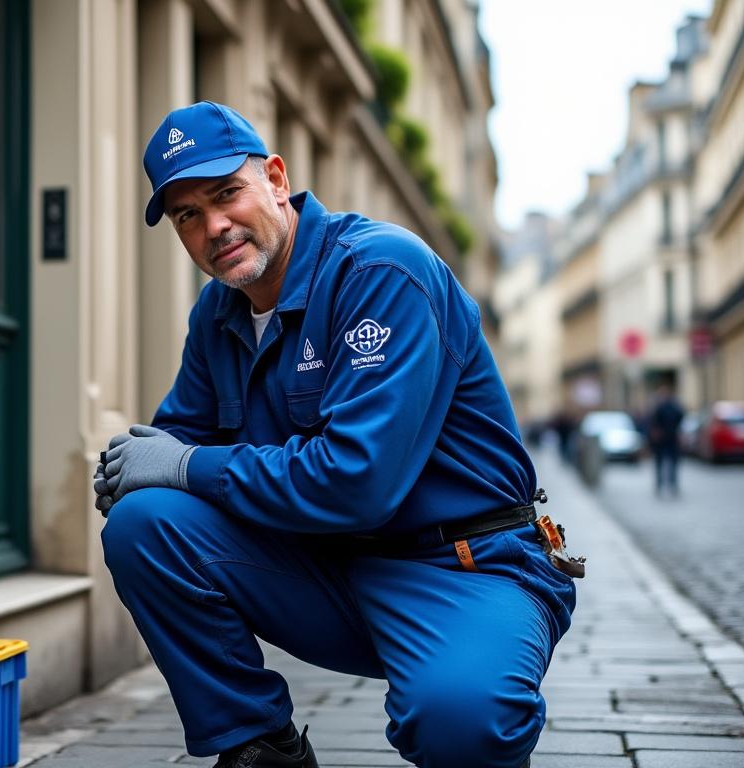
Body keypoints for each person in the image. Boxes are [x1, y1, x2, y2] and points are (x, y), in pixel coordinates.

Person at [93, 102, 578, 768]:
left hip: (463, 568)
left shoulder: (379, 272)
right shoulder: (219, 311)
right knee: (144, 522)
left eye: (226, 193)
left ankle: (463, 692)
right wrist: (136, 466)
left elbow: (357, 481)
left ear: (275, 177)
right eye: (187, 215)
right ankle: (262, 747)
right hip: (326, 573)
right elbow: (180, 439)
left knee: (460, 721)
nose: (215, 226)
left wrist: (179, 465)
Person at [647, 384, 684, 497]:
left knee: (669, 464)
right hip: (664, 440)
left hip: (668, 439)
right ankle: (664, 485)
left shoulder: (668, 407)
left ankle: (669, 485)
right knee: (664, 464)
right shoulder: (664, 407)